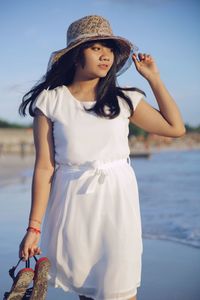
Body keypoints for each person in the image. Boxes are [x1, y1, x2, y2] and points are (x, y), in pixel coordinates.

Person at [18, 15, 185, 300]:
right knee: (88, 290)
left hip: (117, 202)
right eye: (95, 48)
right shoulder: (51, 101)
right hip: (73, 203)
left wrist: (154, 79)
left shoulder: (124, 99)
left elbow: (175, 128)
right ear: (75, 56)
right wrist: (33, 227)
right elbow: (45, 167)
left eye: (108, 48)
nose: (105, 54)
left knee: (119, 290)